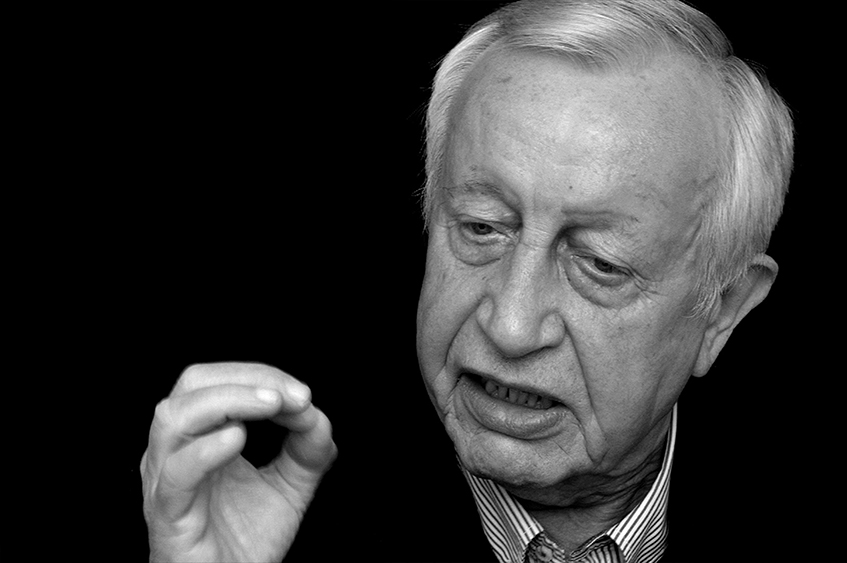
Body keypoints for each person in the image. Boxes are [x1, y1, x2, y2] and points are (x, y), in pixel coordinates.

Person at [139, 0, 793, 561]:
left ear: (722, 310)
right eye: (482, 227)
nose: (510, 325)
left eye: (600, 263)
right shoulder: (255, 502)